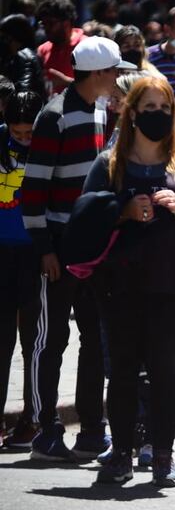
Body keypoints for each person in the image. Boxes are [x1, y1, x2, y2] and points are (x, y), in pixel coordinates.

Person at [83, 77, 175, 487]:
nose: (157, 116)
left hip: (170, 285)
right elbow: (85, 220)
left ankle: (161, 454)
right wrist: (122, 211)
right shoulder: (109, 165)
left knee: (163, 370)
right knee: (120, 372)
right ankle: (120, 452)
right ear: (132, 112)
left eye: (165, 108)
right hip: (118, 284)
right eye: (149, 108)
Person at [21, 37, 122, 461]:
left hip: (93, 247)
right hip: (59, 248)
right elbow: (35, 187)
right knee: (51, 338)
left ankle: (92, 430)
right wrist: (45, 248)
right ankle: (46, 430)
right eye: (114, 71)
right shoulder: (54, 116)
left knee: (94, 341)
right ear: (97, 74)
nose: (118, 78)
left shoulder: (101, 109)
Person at [0, 90, 44, 449]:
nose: (26, 138)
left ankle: (32, 419)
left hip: (35, 255)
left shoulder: (49, 145)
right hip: (2, 254)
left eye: (31, 132)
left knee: (34, 343)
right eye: (18, 132)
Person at [36, 0, 85, 95]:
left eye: (51, 23)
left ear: (66, 23)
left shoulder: (87, 47)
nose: (46, 29)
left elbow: (99, 85)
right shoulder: (42, 49)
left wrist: (66, 82)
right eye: (43, 24)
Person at [0, 14, 45, 98]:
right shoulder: (11, 58)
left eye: (4, 37)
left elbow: (23, 93)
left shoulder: (25, 57)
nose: (2, 41)